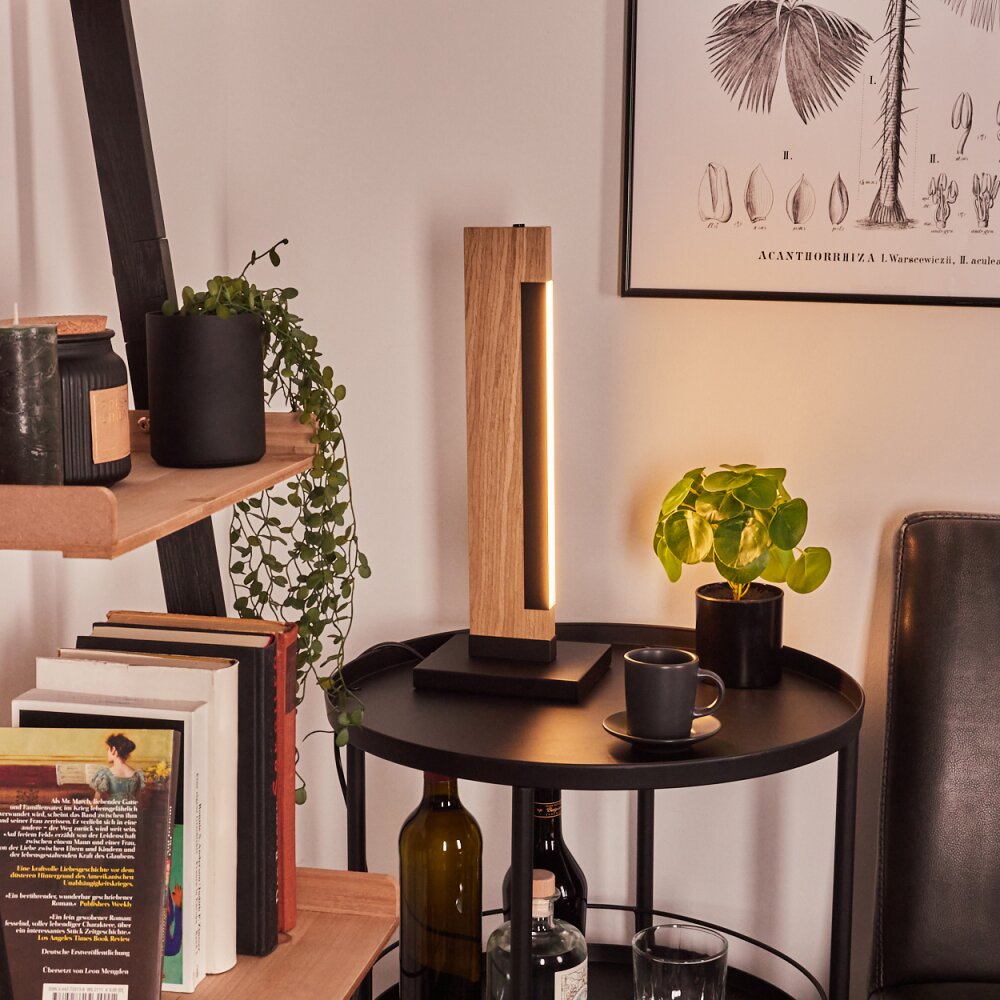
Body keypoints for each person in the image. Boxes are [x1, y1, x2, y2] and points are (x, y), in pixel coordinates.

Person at [90, 733, 145, 801]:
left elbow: (95, 804)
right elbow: (138, 803)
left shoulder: (105, 774)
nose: (107, 753)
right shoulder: (137, 774)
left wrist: (84, 803)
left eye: (108, 749)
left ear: (113, 750)